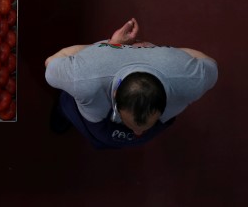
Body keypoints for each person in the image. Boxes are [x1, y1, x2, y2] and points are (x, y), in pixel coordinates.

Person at [44, 18, 218, 149]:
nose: (138, 133)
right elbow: (209, 63)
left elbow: (51, 62)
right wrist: (167, 57)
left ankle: (61, 124)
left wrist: (111, 47)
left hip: (95, 122)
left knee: (68, 98)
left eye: (140, 129)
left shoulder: (84, 75)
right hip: (137, 126)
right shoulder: (189, 79)